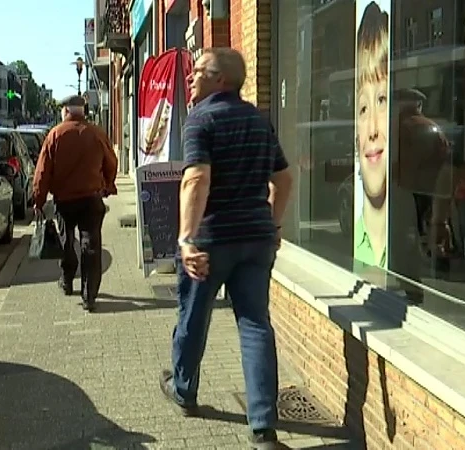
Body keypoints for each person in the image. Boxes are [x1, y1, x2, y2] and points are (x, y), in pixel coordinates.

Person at [158, 47, 293, 450]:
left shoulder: (202, 118)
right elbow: (283, 179)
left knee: (194, 316)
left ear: (221, 79)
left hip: (212, 241)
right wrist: (273, 223)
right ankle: (263, 427)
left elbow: (196, 180)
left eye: (197, 72)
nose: (190, 78)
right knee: (255, 325)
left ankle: (183, 389)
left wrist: (185, 238)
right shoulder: (259, 120)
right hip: (255, 239)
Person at [32, 95, 118, 311]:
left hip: (64, 200)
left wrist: (39, 200)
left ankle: (67, 280)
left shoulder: (56, 134)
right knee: (91, 246)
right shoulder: (96, 133)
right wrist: (107, 185)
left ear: (66, 111)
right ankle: (89, 296)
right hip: (91, 199)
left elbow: (43, 171)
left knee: (67, 241)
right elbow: (111, 162)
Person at [353, 1, 390, 268]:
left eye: (383, 100)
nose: (373, 129)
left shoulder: (409, 245)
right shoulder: (347, 246)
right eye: (363, 108)